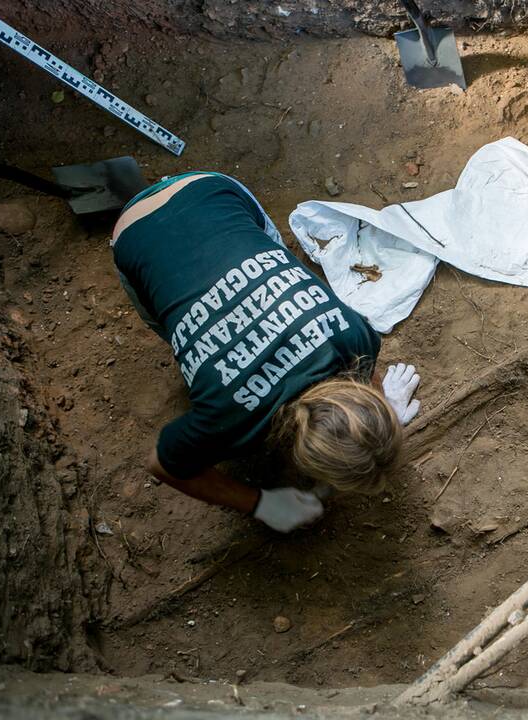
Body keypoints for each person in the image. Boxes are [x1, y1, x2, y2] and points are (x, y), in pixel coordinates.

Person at [111, 172, 423, 532]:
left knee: (266, 256)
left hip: (206, 191)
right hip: (133, 233)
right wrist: (260, 504)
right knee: (167, 323)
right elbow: (163, 464)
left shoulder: (353, 336)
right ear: (302, 454)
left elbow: (366, 379)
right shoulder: (227, 420)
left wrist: (384, 414)